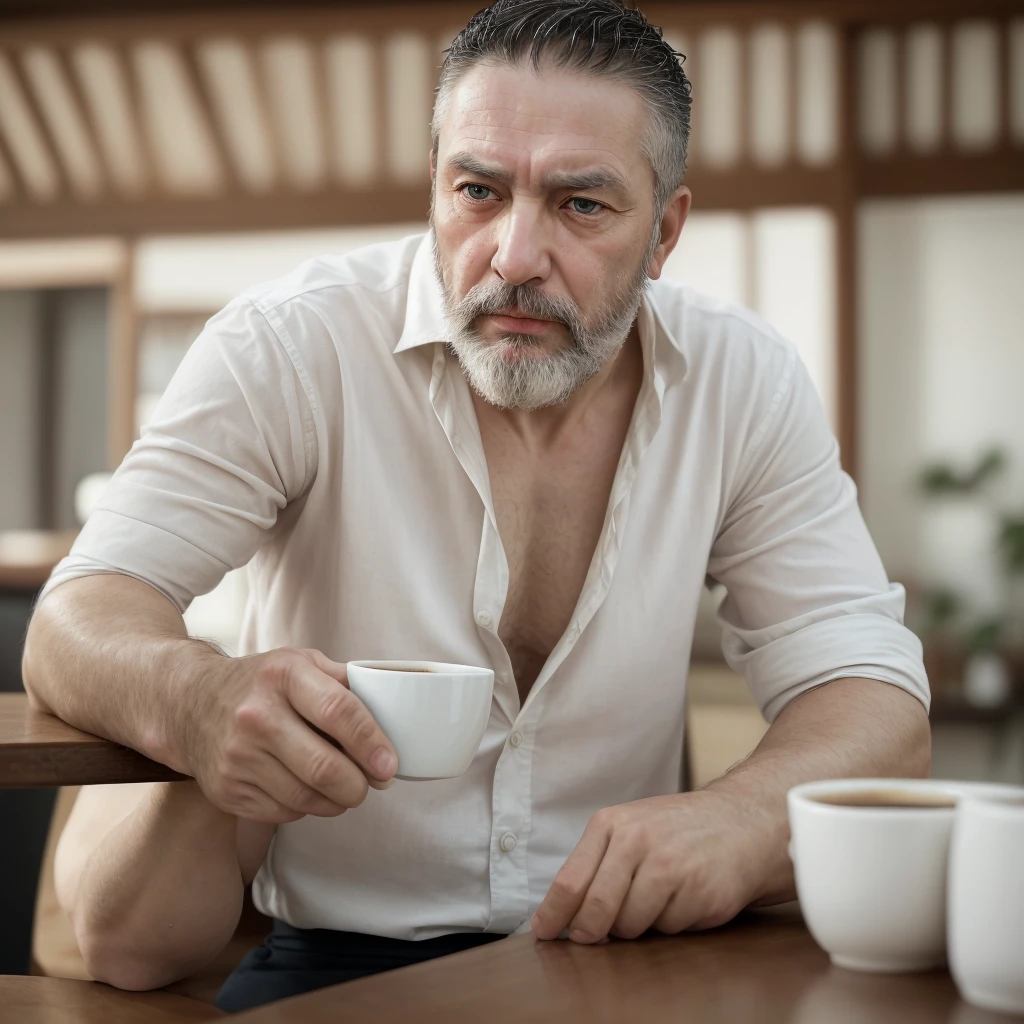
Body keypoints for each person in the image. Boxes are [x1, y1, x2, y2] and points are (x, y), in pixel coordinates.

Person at [23, 0, 930, 1013]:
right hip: (333, 955)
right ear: (434, 186)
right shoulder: (290, 347)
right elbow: (78, 615)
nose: (512, 255)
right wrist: (193, 697)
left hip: (626, 955)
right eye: (478, 191)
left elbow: (873, 695)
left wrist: (745, 817)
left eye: (580, 205)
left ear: (665, 230)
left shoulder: (742, 379)